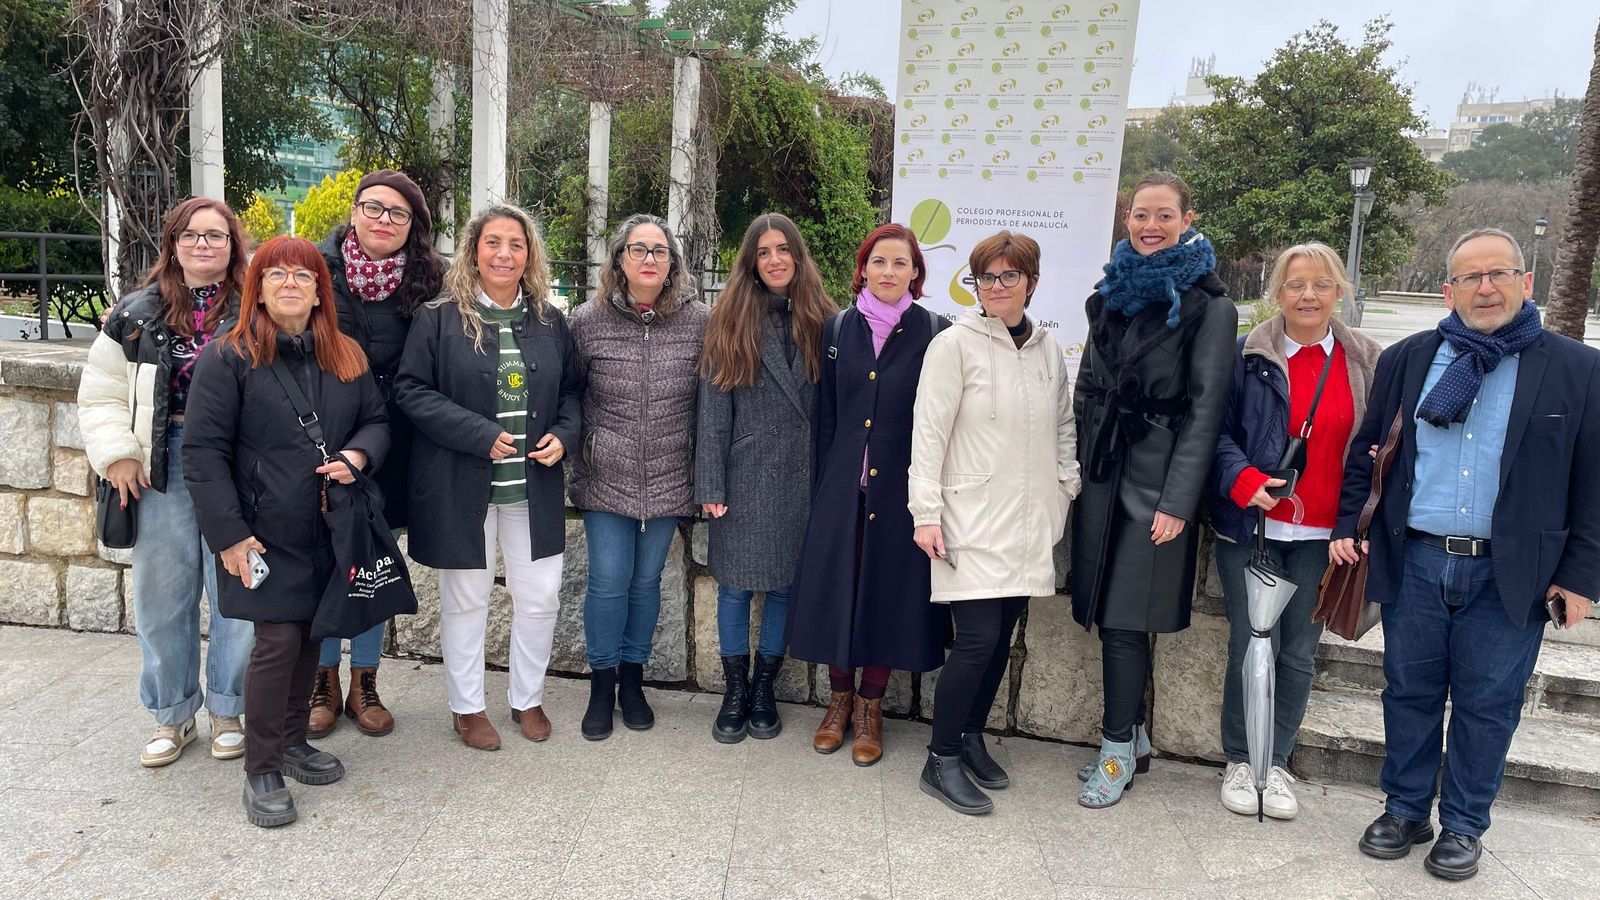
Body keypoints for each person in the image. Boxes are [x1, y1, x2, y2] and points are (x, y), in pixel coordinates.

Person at [1339, 228, 1599, 881]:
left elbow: (1593, 482)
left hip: (1513, 571)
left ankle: (1462, 825)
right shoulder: (1407, 358)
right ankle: (1404, 809)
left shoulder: (1576, 368)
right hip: (1418, 559)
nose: (1485, 288)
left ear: (1525, 281)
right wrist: (1353, 526)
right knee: (1408, 692)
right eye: (1470, 278)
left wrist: (1582, 576)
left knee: (1489, 703)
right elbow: (1367, 454)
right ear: (1448, 289)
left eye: (1498, 274)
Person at [182, 236, 388, 827]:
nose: (292, 284)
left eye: (305, 275)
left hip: (330, 528)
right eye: (278, 276)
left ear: (321, 290)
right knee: (275, 644)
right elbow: (202, 452)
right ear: (259, 290)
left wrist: (358, 455)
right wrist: (228, 536)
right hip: (263, 532)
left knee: (311, 639)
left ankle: (293, 741)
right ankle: (262, 767)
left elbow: (377, 420)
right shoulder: (230, 358)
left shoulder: (345, 354)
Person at [1071, 172, 1237, 809]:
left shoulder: (1209, 303)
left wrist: (1177, 499)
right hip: (1105, 471)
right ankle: (1134, 736)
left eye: (1164, 216)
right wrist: (1079, 465)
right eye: (1141, 215)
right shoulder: (1111, 293)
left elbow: (1206, 409)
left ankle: (1115, 750)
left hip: (1158, 478)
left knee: (1123, 619)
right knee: (1112, 614)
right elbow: (1088, 385)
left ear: (1186, 219)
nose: (1150, 226)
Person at [395, 204, 581, 750]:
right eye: (493, 242)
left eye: (516, 245)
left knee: (542, 597)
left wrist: (565, 435)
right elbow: (410, 390)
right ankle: (468, 707)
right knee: (466, 600)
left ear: (530, 256)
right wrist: (477, 433)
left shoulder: (549, 321)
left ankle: (527, 698)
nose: (504, 254)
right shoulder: (439, 317)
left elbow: (572, 392)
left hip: (532, 488)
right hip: (462, 485)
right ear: (474, 250)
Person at [78, 197, 255, 768]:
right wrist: (117, 454)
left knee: (237, 589)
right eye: (192, 235)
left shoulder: (256, 309)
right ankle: (172, 715)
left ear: (232, 246)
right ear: (174, 244)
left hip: (237, 463)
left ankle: (229, 709)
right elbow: (102, 392)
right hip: (161, 465)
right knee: (162, 596)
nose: (204, 245)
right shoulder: (135, 314)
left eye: (216, 236)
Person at [1207, 242, 1381, 819]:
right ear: (1277, 291)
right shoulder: (1245, 355)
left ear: (1340, 291)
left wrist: (1358, 523)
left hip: (1325, 535)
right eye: (1296, 284)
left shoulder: (1366, 361)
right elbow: (1216, 432)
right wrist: (1243, 480)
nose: (1309, 295)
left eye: (1322, 284)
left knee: (1300, 652)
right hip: (1252, 524)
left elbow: (1378, 451)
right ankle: (1240, 758)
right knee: (1250, 643)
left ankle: (1274, 762)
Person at [909, 231, 1079, 814]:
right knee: (976, 641)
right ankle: (941, 758)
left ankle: (971, 736)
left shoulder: (1047, 349)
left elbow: (1063, 424)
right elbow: (927, 436)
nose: (997, 287)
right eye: (986, 278)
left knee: (1001, 640)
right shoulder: (954, 345)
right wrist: (925, 514)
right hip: (970, 518)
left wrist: (1066, 486)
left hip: (1031, 519)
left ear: (1031, 282)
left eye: (1009, 276)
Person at [788, 223, 952, 767]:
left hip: (904, 493)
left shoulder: (935, 331)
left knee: (885, 596)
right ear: (863, 268)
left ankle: (870, 707)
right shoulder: (838, 328)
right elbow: (827, 416)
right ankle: (838, 699)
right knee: (839, 592)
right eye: (879, 261)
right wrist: (822, 489)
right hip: (843, 490)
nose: (888, 272)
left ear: (915, 273)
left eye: (899, 263)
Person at [308, 168, 445, 740]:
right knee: (318, 558)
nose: (383, 220)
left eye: (398, 213)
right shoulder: (315, 269)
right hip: (319, 430)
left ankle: (364, 679)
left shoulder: (431, 281)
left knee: (371, 558)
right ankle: (320, 679)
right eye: (373, 207)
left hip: (394, 439)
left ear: (413, 226)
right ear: (355, 210)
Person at [569, 213, 709, 740]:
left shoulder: (700, 321)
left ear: (672, 263)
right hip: (607, 476)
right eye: (638, 249)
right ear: (620, 259)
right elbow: (571, 393)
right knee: (607, 582)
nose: (649, 259)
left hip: (672, 476)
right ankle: (601, 685)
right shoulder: (586, 321)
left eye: (659, 250)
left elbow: (712, 399)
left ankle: (633, 680)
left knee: (647, 583)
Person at [695, 213, 834, 743]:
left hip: (803, 477)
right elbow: (712, 409)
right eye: (764, 251)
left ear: (798, 255)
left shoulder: (825, 318)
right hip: (744, 475)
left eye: (783, 249)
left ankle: (764, 690)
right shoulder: (728, 319)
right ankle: (735, 689)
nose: (775, 259)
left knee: (783, 589)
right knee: (733, 589)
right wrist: (710, 485)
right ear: (751, 261)